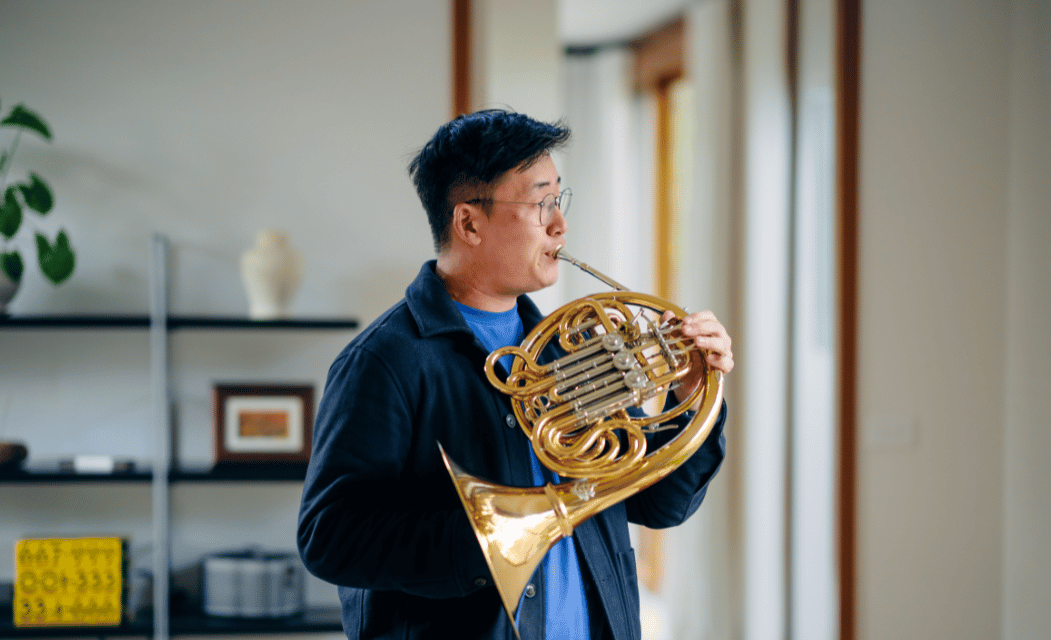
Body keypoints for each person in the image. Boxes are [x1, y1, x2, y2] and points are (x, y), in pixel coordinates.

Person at [297, 109, 734, 640]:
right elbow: (328, 536)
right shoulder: (384, 361)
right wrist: (493, 538)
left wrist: (690, 396)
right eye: (540, 203)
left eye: (559, 199)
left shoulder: (573, 347)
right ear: (469, 224)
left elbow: (660, 503)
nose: (560, 225)